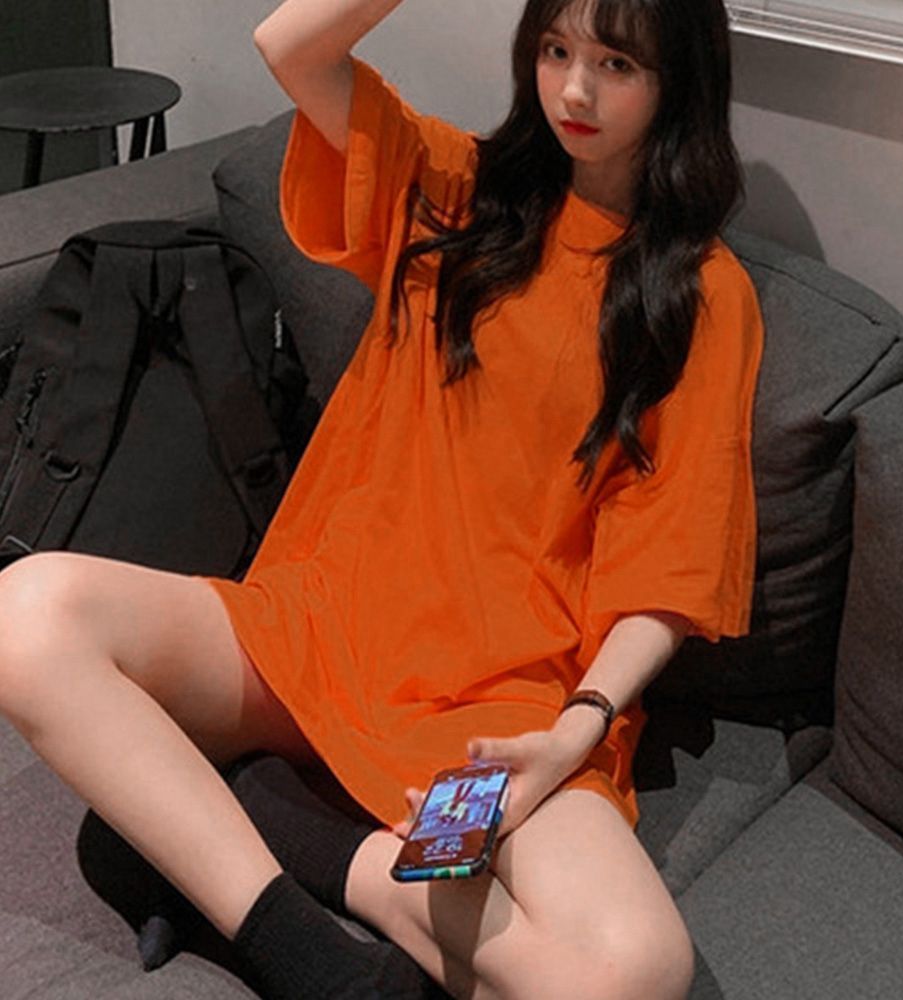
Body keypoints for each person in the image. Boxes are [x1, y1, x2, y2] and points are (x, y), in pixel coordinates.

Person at [0, 0, 763, 997]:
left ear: (679, 82)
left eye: (616, 64)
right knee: (25, 615)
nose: (574, 88)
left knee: (637, 973)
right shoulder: (456, 191)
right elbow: (291, 44)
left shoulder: (703, 294)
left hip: (503, 701)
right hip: (315, 633)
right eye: (555, 49)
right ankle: (307, 949)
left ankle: (277, 831)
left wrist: (573, 731)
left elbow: (671, 562)